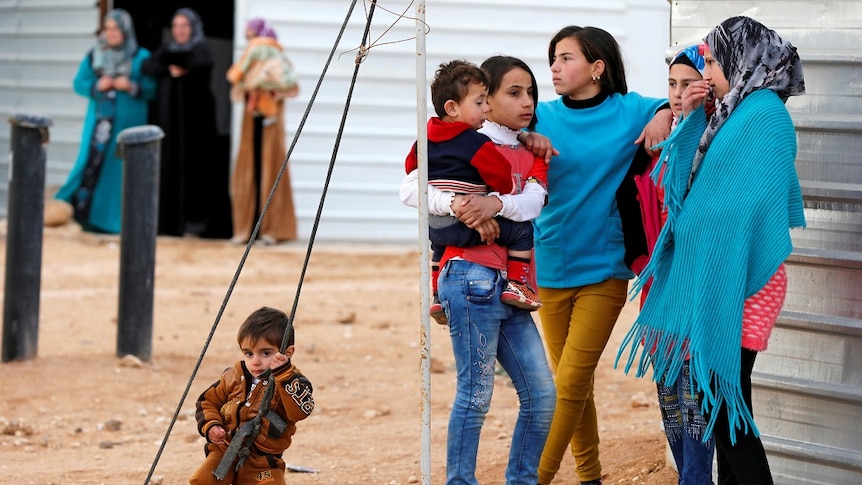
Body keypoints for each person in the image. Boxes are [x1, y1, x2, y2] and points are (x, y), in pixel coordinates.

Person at [617, 16, 806, 485]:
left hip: (744, 278)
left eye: (715, 62)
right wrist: (692, 115)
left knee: (724, 403)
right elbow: (680, 188)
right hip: (719, 275)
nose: (708, 74)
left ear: (745, 61)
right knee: (716, 404)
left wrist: (713, 254)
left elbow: (752, 205)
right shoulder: (731, 111)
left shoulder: (765, 115)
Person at [520, 25, 673, 485]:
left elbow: (672, 103)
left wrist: (663, 115)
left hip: (604, 269)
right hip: (547, 264)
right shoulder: (538, 117)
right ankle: (589, 475)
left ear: (597, 68)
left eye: (566, 58)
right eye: (553, 58)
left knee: (564, 385)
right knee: (572, 382)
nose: (554, 67)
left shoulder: (630, 111)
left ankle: (533, 477)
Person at [400, 55, 556, 484]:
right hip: (471, 277)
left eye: (531, 93)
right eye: (509, 93)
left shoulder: (526, 150)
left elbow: (530, 204)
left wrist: (494, 206)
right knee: (476, 395)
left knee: (541, 396)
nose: (525, 101)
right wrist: (458, 206)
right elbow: (414, 190)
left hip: (508, 286)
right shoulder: (464, 144)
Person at [616, 44, 716, 485]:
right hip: (658, 288)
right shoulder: (656, 144)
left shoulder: (717, 140)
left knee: (696, 395)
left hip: (698, 290)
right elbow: (628, 200)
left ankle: (695, 478)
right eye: (670, 85)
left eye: (686, 83)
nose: (677, 94)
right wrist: (641, 262)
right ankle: (687, 475)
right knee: (669, 395)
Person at [403, 59, 548, 325]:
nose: (528, 102)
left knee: (437, 245)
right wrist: (489, 201)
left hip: (440, 227)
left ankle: (436, 292)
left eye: (531, 93)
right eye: (480, 102)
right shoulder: (477, 142)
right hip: (474, 257)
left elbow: (411, 167)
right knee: (523, 231)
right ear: (453, 107)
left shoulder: (425, 137)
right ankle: (518, 283)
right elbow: (501, 179)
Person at [47, 9, 156, 234]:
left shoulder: (141, 57)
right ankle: (82, 216)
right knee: (89, 164)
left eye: (116, 28)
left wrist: (132, 86)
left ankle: (117, 224)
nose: (112, 32)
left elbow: (154, 90)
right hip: (99, 126)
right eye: (108, 28)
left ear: (126, 30)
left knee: (122, 171)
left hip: (129, 125)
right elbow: (79, 83)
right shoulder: (95, 54)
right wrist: (98, 86)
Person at [190, 306, 315, 484]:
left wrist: (285, 375)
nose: (255, 361)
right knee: (202, 480)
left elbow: (300, 412)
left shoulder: (293, 382)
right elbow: (207, 402)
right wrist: (211, 426)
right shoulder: (234, 375)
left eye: (266, 353)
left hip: (263, 463)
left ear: (288, 353)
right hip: (225, 452)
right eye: (248, 353)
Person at [141, 8, 232, 239]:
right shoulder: (169, 50)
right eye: (176, 26)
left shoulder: (201, 49)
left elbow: (199, 61)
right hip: (171, 125)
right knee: (170, 170)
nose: (180, 31)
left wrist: (175, 65)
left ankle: (197, 223)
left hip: (197, 127)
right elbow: (148, 65)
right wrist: (170, 67)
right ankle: (171, 223)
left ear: (192, 28)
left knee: (198, 172)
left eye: (184, 26)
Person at [226, 18, 299, 245]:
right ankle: (245, 229)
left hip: (270, 125)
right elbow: (236, 90)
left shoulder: (277, 60)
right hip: (252, 123)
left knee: (271, 171)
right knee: (249, 173)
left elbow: (292, 88)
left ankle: (272, 229)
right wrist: (251, 88)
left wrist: (271, 91)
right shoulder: (249, 61)